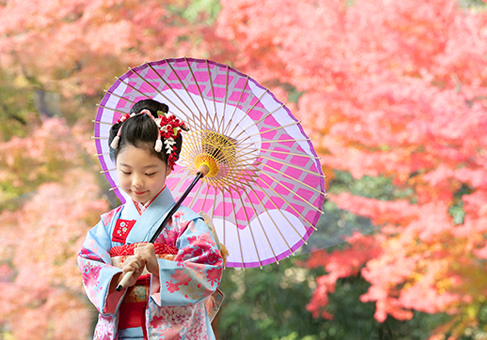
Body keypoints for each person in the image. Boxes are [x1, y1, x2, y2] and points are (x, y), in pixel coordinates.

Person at [77, 99, 224, 340]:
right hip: (119, 331)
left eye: (149, 172)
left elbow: (207, 272)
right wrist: (118, 275)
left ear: (168, 167)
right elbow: (89, 264)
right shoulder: (108, 224)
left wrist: (158, 267)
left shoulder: (187, 224)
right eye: (126, 171)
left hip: (172, 333)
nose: (137, 182)